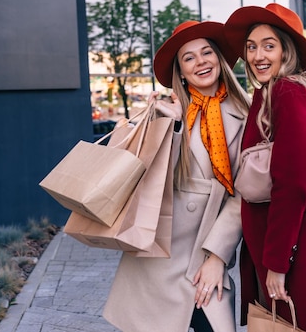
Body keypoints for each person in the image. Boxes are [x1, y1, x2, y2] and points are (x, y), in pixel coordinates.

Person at [103, 20, 251, 331]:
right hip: (159, 254)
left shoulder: (247, 113)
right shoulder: (168, 114)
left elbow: (243, 195)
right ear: (180, 73)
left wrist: (217, 258)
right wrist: (165, 128)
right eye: (189, 57)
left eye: (207, 52)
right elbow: (147, 180)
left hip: (206, 251)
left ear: (219, 60)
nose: (201, 62)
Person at [223, 3, 306, 332]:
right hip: (284, 247)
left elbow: (292, 184)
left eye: (269, 45)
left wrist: (278, 263)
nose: (257, 55)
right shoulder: (267, 94)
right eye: (251, 47)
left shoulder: (287, 92)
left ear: (286, 51)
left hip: (298, 250)